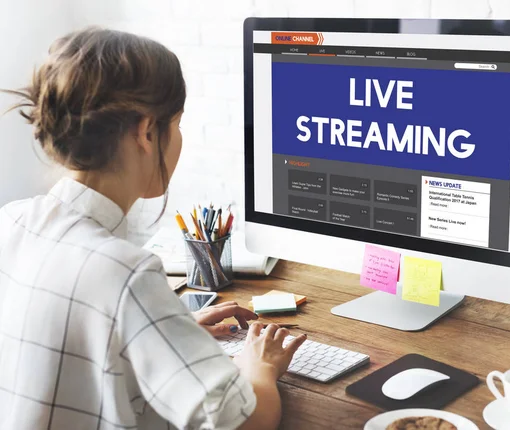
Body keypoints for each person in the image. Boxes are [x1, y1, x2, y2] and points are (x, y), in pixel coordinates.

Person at [0, 27, 306, 430]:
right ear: (146, 132)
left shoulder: (11, 221)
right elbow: (246, 422)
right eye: (176, 124)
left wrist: (164, 329)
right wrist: (258, 366)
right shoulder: (126, 273)